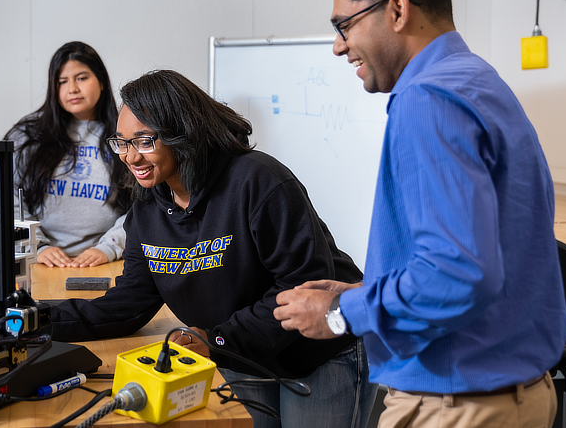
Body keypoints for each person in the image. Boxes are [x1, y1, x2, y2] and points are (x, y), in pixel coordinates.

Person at [272, 0, 566, 427]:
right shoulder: (477, 80)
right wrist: (368, 290)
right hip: (509, 394)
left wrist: (341, 313)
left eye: (345, 24)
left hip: (458, 404)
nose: (338, 45)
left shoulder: (427, 100)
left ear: (397, 10)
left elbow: (455, 274)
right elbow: (484, 256)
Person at [50, 69, 377, 428]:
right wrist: (39, 322)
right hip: (241, 354)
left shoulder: (257, 181)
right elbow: (130, 302)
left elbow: (303, 285)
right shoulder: (146, 210)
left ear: (181, 134)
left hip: (319, 352)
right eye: (122, 142)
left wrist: (216, 338)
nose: (131, 156)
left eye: (144, 141)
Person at [5, 42, 130, 267]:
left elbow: (141, 206)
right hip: (38, 262)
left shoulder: (126, 135)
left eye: (81, 78)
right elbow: (11, 201)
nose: (72, 88)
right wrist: (36, 246)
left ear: (101, 81)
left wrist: (110, 247)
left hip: (108, 261)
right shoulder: (28, 137)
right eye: (62, 81)